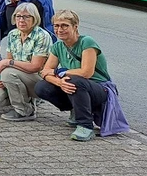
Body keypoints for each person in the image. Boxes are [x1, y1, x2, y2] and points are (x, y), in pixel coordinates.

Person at [37, 10, 112, 142]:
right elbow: (45, 72)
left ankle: (85, 126)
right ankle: (75, 110)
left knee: (73, 80)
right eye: (56, 26)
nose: (60, 29)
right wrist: (59, 82)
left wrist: (60, 72)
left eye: (65, 25)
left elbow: (86, 72)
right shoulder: (58, 46)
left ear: (75, 26)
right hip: (77, 85)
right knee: (41, 87)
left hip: (100, 88)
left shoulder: (86, 42)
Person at [0, 2, 51, 121]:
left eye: (26, 17)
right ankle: (26, 100)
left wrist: (8, 65)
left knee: (8, 73)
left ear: (34, 18)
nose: (21, 20)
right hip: (17, 74)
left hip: (39, 78)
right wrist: (1, 77)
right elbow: (9, 59)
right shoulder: (13, 34)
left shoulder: (42, 35)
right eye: (18, 16)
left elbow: (35, 67)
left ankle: (24, 111)